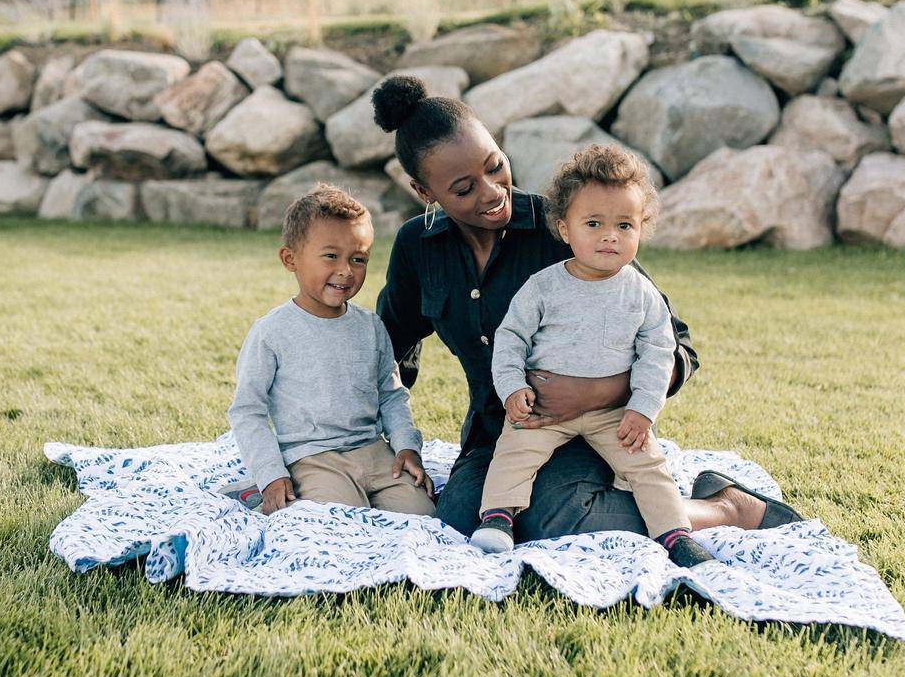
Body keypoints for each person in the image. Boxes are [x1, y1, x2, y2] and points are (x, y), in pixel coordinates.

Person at [373, 74, 802, 542]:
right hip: (496, 435)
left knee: (558, 519)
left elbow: (677, 347)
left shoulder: (567, 229)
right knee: (458, 519)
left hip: (592, 434)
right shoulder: (419, 247)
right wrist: (388, 437)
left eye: (495, 166)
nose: (492, 191)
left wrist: (599, 392)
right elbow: (390, 346)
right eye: (464, 188)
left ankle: (724, 507)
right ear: (425, 192)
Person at [471, 144, 713, 566]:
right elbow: (510, 339)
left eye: (624, 225)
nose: (610, 236)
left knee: (647, 463)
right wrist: (512, 388)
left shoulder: (641, 293)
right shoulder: (544, 286)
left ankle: (676, 535)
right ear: (565, 229)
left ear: (642, 229)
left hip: (614, 413)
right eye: (594, 223)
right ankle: (498, 518)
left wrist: (643, 409)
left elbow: (659, 351)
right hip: (542, 407)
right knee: (515, 450)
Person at [227, 183, 435, 518]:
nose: (345, 270)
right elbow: (247, 411)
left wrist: (407, 446)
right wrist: (271, 474)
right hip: (311, 457)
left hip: (373, 452)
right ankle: (260, 492)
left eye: (358, 259)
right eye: (330, 256)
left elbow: (392, 395)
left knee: (422, 515)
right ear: (290, 259)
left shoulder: (371, 327)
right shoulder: (272, 332)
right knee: (339, 521)